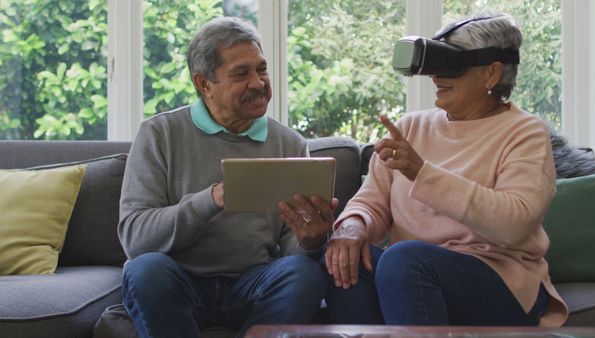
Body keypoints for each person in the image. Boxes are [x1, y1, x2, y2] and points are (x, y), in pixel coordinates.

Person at [324, 12, 569, 327]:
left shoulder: (525, 132)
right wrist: (353, 227)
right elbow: (371, 201)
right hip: (411, 274)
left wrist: (422, 172)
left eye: (450, 65)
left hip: (499, 277)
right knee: (340, 259)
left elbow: (515, 223)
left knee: (405, 260)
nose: (436, 77)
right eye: (434, 66)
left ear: (492, 73)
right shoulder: (410, 127)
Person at [118, 16, 336, 338]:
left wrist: (310, 241)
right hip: (180, 283)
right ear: (203, 84)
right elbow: (136, 238)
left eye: (261, 69)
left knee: (303, 273)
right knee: (146, 270)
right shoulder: (159, 134)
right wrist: (212, 200)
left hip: (251, 283)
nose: (259, 83)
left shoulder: (288, 143)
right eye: (241, 74)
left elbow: (291, 248)